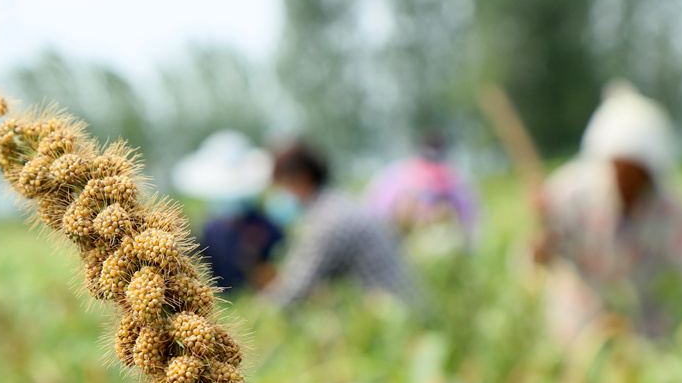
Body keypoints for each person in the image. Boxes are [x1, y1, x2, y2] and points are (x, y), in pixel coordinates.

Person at [534, 82, 682, 343]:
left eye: (638, 172)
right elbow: (534, 258)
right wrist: (541, 247)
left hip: (643, 331)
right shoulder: (569, 195)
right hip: (582, 330)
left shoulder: (670, 210)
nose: (628, 180)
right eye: (621, 169)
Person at [265, 141, 418, 309]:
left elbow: (292, 290)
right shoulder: (339, 202)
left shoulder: (328, 220)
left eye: (281, 185)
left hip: (397, 314)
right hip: (404, 305)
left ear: (301, 178)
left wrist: (258, 312)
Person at [171, 131, 284, 292]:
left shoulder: (265, 225)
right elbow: (201, 258)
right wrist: (181, 235)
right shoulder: (212, 228)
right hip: (221, 301)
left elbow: (276, 266)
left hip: (257, 300)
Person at [366, 128, 479, 250]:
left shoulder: (453, 178)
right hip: (396, 234)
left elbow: (468, 215)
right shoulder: (399, 175)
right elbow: (377, 212)